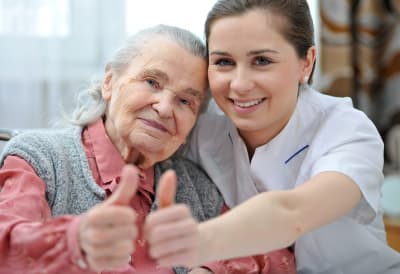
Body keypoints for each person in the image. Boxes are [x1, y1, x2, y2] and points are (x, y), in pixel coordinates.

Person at [0, 24, 296, 274]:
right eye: (152, 82)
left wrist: (211, 269)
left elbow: (276, 252)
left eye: (185, 101)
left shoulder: (194, 186)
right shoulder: (40, 158)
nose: (165, 108)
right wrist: (74, 241)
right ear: (109, 82)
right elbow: (6, 245)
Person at [145, 1, 400, 273]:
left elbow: (293, 215)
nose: (240, 85)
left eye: (262, 61)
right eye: (224, 62)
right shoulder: (204, 128)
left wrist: (197, 243)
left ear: (307, 63)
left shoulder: (346, 129)